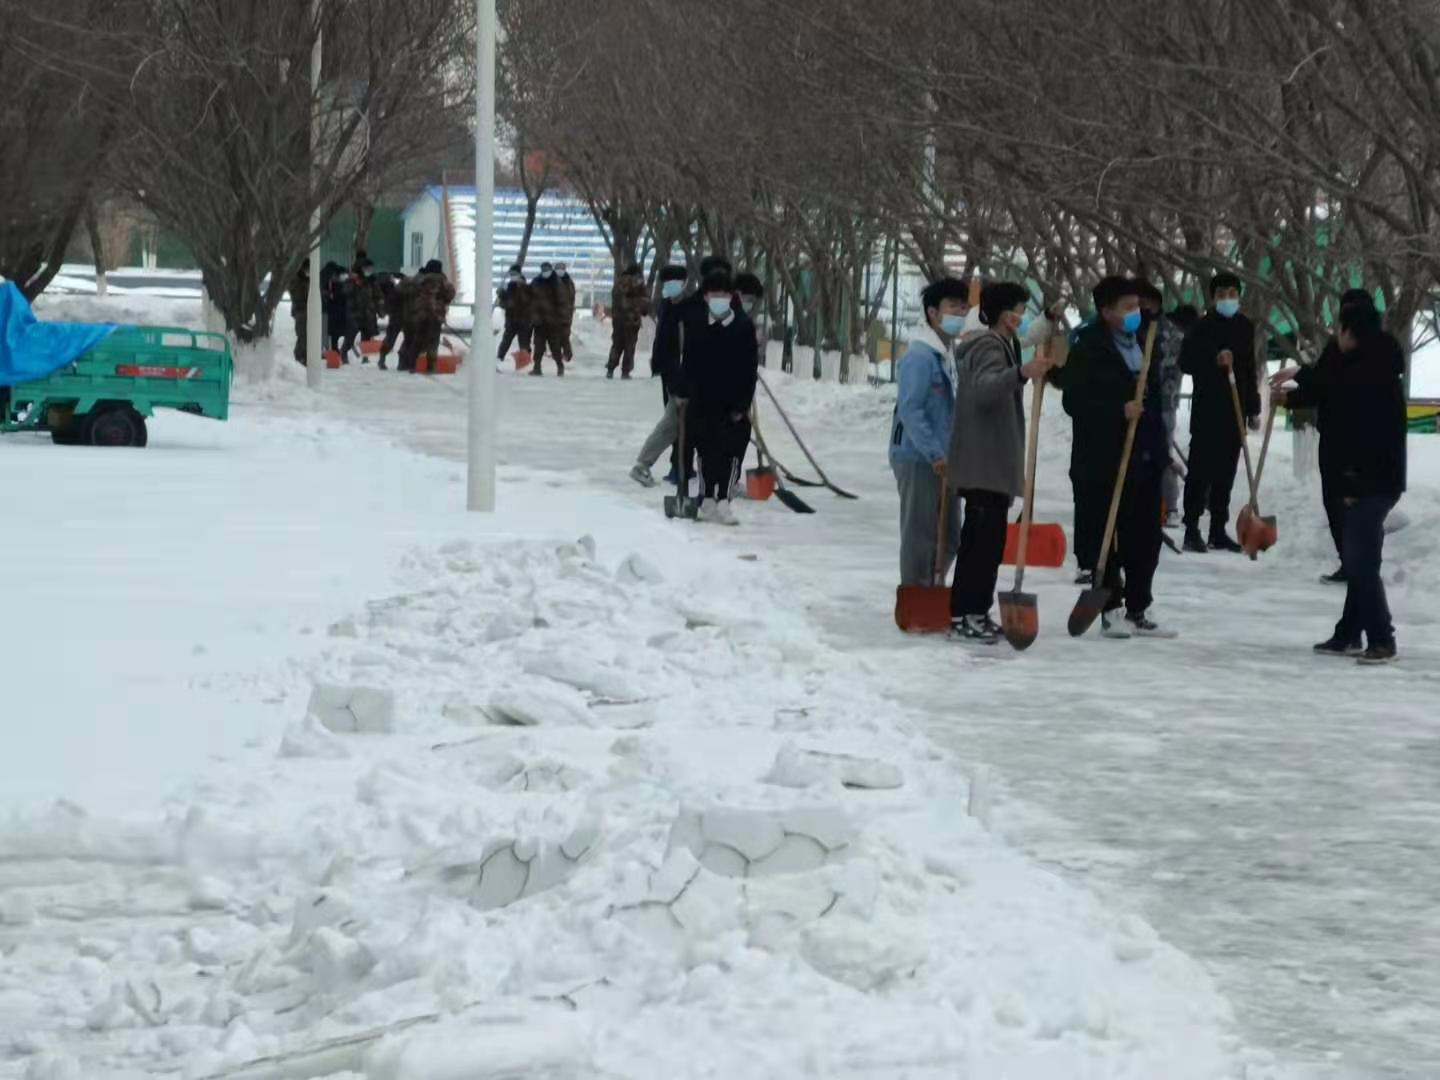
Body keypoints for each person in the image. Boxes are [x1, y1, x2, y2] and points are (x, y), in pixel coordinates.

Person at [1273, 302, 1405, 664]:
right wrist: (1293, 397)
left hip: (1368, 480)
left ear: (1351, 332)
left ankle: (1382, 639)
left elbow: (1363, 434)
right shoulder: (1366, 364)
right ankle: (1349, 633)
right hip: (1373, 478)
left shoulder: (1367, 375)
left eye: (1339, 328)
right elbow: (1328, 390)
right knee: (1360, 558)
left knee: (1360, 563)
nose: (1335, 334)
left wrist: (1353, 482)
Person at [1061, 275, 1176, 638]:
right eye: (1127, 307)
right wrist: (1117, 409)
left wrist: (1161, 449)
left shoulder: (1144, 342)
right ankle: (1110, 607)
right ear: (1106, 311)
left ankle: (1139, 606)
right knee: (1104, 535)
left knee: (1146, 536)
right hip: (1103, 457)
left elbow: (1154, 398)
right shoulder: (1088, 347)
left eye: (1136, 306)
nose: (1135, 312)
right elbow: (1074, 401)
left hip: (1144, 454)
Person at [943, 283, 1058, 642]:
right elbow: (984, 389)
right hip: (984, 464)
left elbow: (1029, 338)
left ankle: (977, 610)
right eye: (1018, 310)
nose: (1022, 317)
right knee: (979, 546)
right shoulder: (989, 346)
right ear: (1003, 314)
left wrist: (1049, 320)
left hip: (992, 462)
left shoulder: (1004, 343)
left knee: (989, 546)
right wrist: (1022, 374)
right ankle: (964, 613)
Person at [1272, 288, 1376, 585]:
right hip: (1335, 437)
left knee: (1352, 502)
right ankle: (1350, 561)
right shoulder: (1336, 348)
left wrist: (1298, 373)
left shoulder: (1373, 353)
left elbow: (1334, 384)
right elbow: (1321, 387)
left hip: (1359, 440)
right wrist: (1290, 399)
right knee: (1336, 501)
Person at [889, 278, 966, 589]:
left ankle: (931, 588)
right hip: (919, 457)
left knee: (950, 537)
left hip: (946, 459)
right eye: (953, 306)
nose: (959, 313)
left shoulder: (949, 356)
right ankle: (915, 595)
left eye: (963, 307)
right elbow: (911, 409)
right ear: (933, 313)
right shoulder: (920, 357)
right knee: (919, 535)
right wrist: (935, 453)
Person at [1180, 272, 1259, 553]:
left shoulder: (1245, 327)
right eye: (1222, 295)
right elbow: (1185, 362)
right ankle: (1191, 527)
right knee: (1200, 471)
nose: (1228, 299)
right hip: (1207, 409)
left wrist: (1253, 407)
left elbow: (1250, 367)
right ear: (1213, 298)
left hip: (1235, 410)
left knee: (1225, 472)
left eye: (1233, 294)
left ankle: (1217, 529)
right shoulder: (1201, 327)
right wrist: (1213, 359)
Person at [674, 267, 758, 525]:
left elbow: (749, 369)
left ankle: (724, 499)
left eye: (723, 294)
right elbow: (688, 362)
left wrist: (743, 404)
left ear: (731, 296)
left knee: (730, 453)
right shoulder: (698, 325)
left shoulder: (743, 327)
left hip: (732, 404)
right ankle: (707, 498)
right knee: (705, 451)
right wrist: (682, 392)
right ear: (706, 297)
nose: (718, 299)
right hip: (702, 401)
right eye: (713, 294)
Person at [630, 263, 691, 487]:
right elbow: (665, 344)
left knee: (681, 424)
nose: (670, 286)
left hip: (683, 373)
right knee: (673, 423)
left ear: (684, 284)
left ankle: (681, 467)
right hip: (676, 375)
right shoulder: (667, 307)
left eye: (674, 282)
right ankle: (646, 465)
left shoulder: (686, 308)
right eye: (667, 282)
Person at [397, 259, 455, 374]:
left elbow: (407, 291)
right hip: (436, 316)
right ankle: (431, 367)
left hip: (419, 315)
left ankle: (411, 364)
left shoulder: (420, 279)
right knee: (433, 342)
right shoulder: (442, 280)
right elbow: (450, 294)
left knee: (417, 340)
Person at [608, 263, 649, 379]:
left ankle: (610, 369)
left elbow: (615, 301)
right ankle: (625, 372)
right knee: (629, 346)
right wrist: (643, 310)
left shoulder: (618, 284)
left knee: (617, 344)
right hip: (632, 320)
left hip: (618, 320)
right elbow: (645, 301)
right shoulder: (638, 282)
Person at [529, 261, 566, 376]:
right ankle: (537, 368)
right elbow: (530, 298)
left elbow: (562, 301)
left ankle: (560, 366)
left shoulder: (557, 282)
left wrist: (559, 317)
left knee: (555, 347)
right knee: (538, 346)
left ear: (551, 270)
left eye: (547, 270)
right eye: (543, 270)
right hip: (539, 322)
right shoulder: (536, 281)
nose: (545, 272)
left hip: (553, 322)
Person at [496, 265, 532, 363]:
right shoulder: (509, 287)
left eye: (514, 274)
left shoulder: (526, 287)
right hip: (511, 321)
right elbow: (503, 304)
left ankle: (525, 362)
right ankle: (499, 359)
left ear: (519, 274)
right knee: (505, 342)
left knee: (524, 343)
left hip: (524, 321)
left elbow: (527, 302)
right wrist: (501, 294)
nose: (512, 276)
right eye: (511, 274)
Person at [376, 272, 407, 371]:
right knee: (407, 339)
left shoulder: (389, 292)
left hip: (395, 317)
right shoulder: (394, 291)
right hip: (402, 316)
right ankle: (402, 362)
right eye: (391, 278)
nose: (393, 279)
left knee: (390, 339)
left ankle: (382, 358)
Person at [288, 262, 310, 366]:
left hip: (305, 311)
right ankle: (300, 356)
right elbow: (297, 295)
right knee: (302, 334)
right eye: (307, 269)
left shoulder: (307, 280)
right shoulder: (297, 281)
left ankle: (303, 356)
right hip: (300, 311)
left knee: (306, 335)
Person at [556, 262, 577, 365]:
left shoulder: (568, 282)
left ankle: (567, 354)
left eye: (561, 268)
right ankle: (561, 354)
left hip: (566, 313)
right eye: (558, 268)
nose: (560, 270)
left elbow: (571, 297)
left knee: (564, 334)